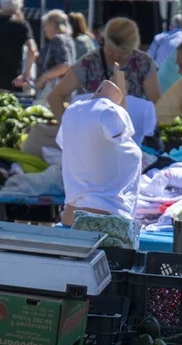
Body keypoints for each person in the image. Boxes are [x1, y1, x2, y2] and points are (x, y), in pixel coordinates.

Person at [56, 72, 141, 245]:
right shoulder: (110, 111)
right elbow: (121, 138)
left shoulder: (72, 110)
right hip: (105, 225)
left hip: (71, 217)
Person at [44, 17, 160, 123]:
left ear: (135, 47)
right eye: (109, 50)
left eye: (123, 53)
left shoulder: (143, 62)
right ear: (103, 41)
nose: (115, 57)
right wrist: (69, 127)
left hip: (134, 133)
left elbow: (156, 103)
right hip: (94, 133)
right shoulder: (89, 62)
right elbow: (55, 96)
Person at [21, 10, 75, 103]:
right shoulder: (68, 39)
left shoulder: (58, 39)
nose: (44, 29)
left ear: (52, 24)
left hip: (53, 90)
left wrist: (43, 78)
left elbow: (64, 65)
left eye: (45, 25)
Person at [0, 0, 36, 92]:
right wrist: (26, 74)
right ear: (18, 8)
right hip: (14, 81)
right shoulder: (22, 24)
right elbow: (32, 49)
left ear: (0, 6)